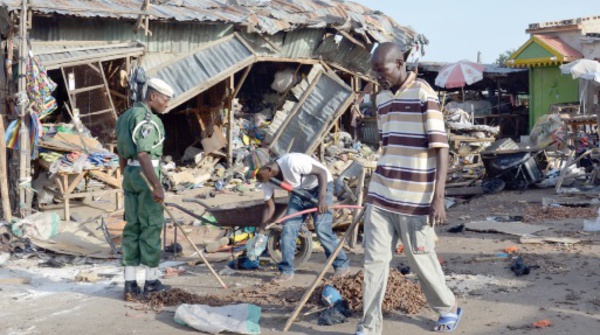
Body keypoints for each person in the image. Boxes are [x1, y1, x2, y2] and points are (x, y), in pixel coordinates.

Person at [355, 42, 461, 334]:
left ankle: (447, 307)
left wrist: (438, 197)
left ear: (400, 63)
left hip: (416, 197)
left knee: (420, 259)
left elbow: (441, 148)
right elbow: (387, 144)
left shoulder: (424, 94)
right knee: (373, 262)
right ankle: (369, 325)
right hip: (381, 192)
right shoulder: (381, 99)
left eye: (382, 69)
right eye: (374, 70)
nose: (378, 76)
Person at [116, 78, 174, 300]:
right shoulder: (148, 119)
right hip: (146, 175)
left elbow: (121, 151)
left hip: (130, 175)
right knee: (150, 227)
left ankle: (130, 284)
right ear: (153, 96)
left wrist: (126, 175)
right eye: (165, 99)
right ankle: (150, 282)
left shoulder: (125, 116)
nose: (166, 104)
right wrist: (157, 185)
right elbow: (143, 154)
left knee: (132, 227)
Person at [250, 152, 350, 283]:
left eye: (256, 175)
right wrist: (261, 232)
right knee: (288, 230)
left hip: (320, 186)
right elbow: (270, 207)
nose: (256, 179)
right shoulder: (266, 180)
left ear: (267, 169)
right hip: (298, 192)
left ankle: (341, 265)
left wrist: (321, 199)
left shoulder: (292, 162)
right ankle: (286, 271)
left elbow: (321, 173)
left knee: (322, 229)